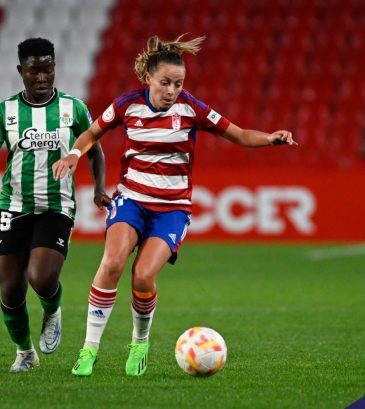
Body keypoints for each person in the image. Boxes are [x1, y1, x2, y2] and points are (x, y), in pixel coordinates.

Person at [53, 34, 297, 377]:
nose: (172, 91)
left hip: (172, 209)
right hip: (131, 199)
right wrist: (75, 154)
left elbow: (239, 134)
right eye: (165, 82)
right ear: (148, 78)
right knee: (111, 264)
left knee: (143, 276)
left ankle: (140, 342)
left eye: (178, 84)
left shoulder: (192, 109)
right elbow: (92, 132)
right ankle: (89, 349)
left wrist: (270, 137)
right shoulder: (127, 105)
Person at [0, 38, 109, 372]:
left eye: (48, 70)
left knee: (41, 278)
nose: (42, 77)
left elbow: (94, 148)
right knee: (11, 289)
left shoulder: (73, 108)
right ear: (21, 71)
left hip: (56, 206)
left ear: (55, 69)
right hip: (13, 206)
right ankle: (25, 353)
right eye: (34, 71)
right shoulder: (5, 111)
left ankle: (52, 310)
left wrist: (99, 187)